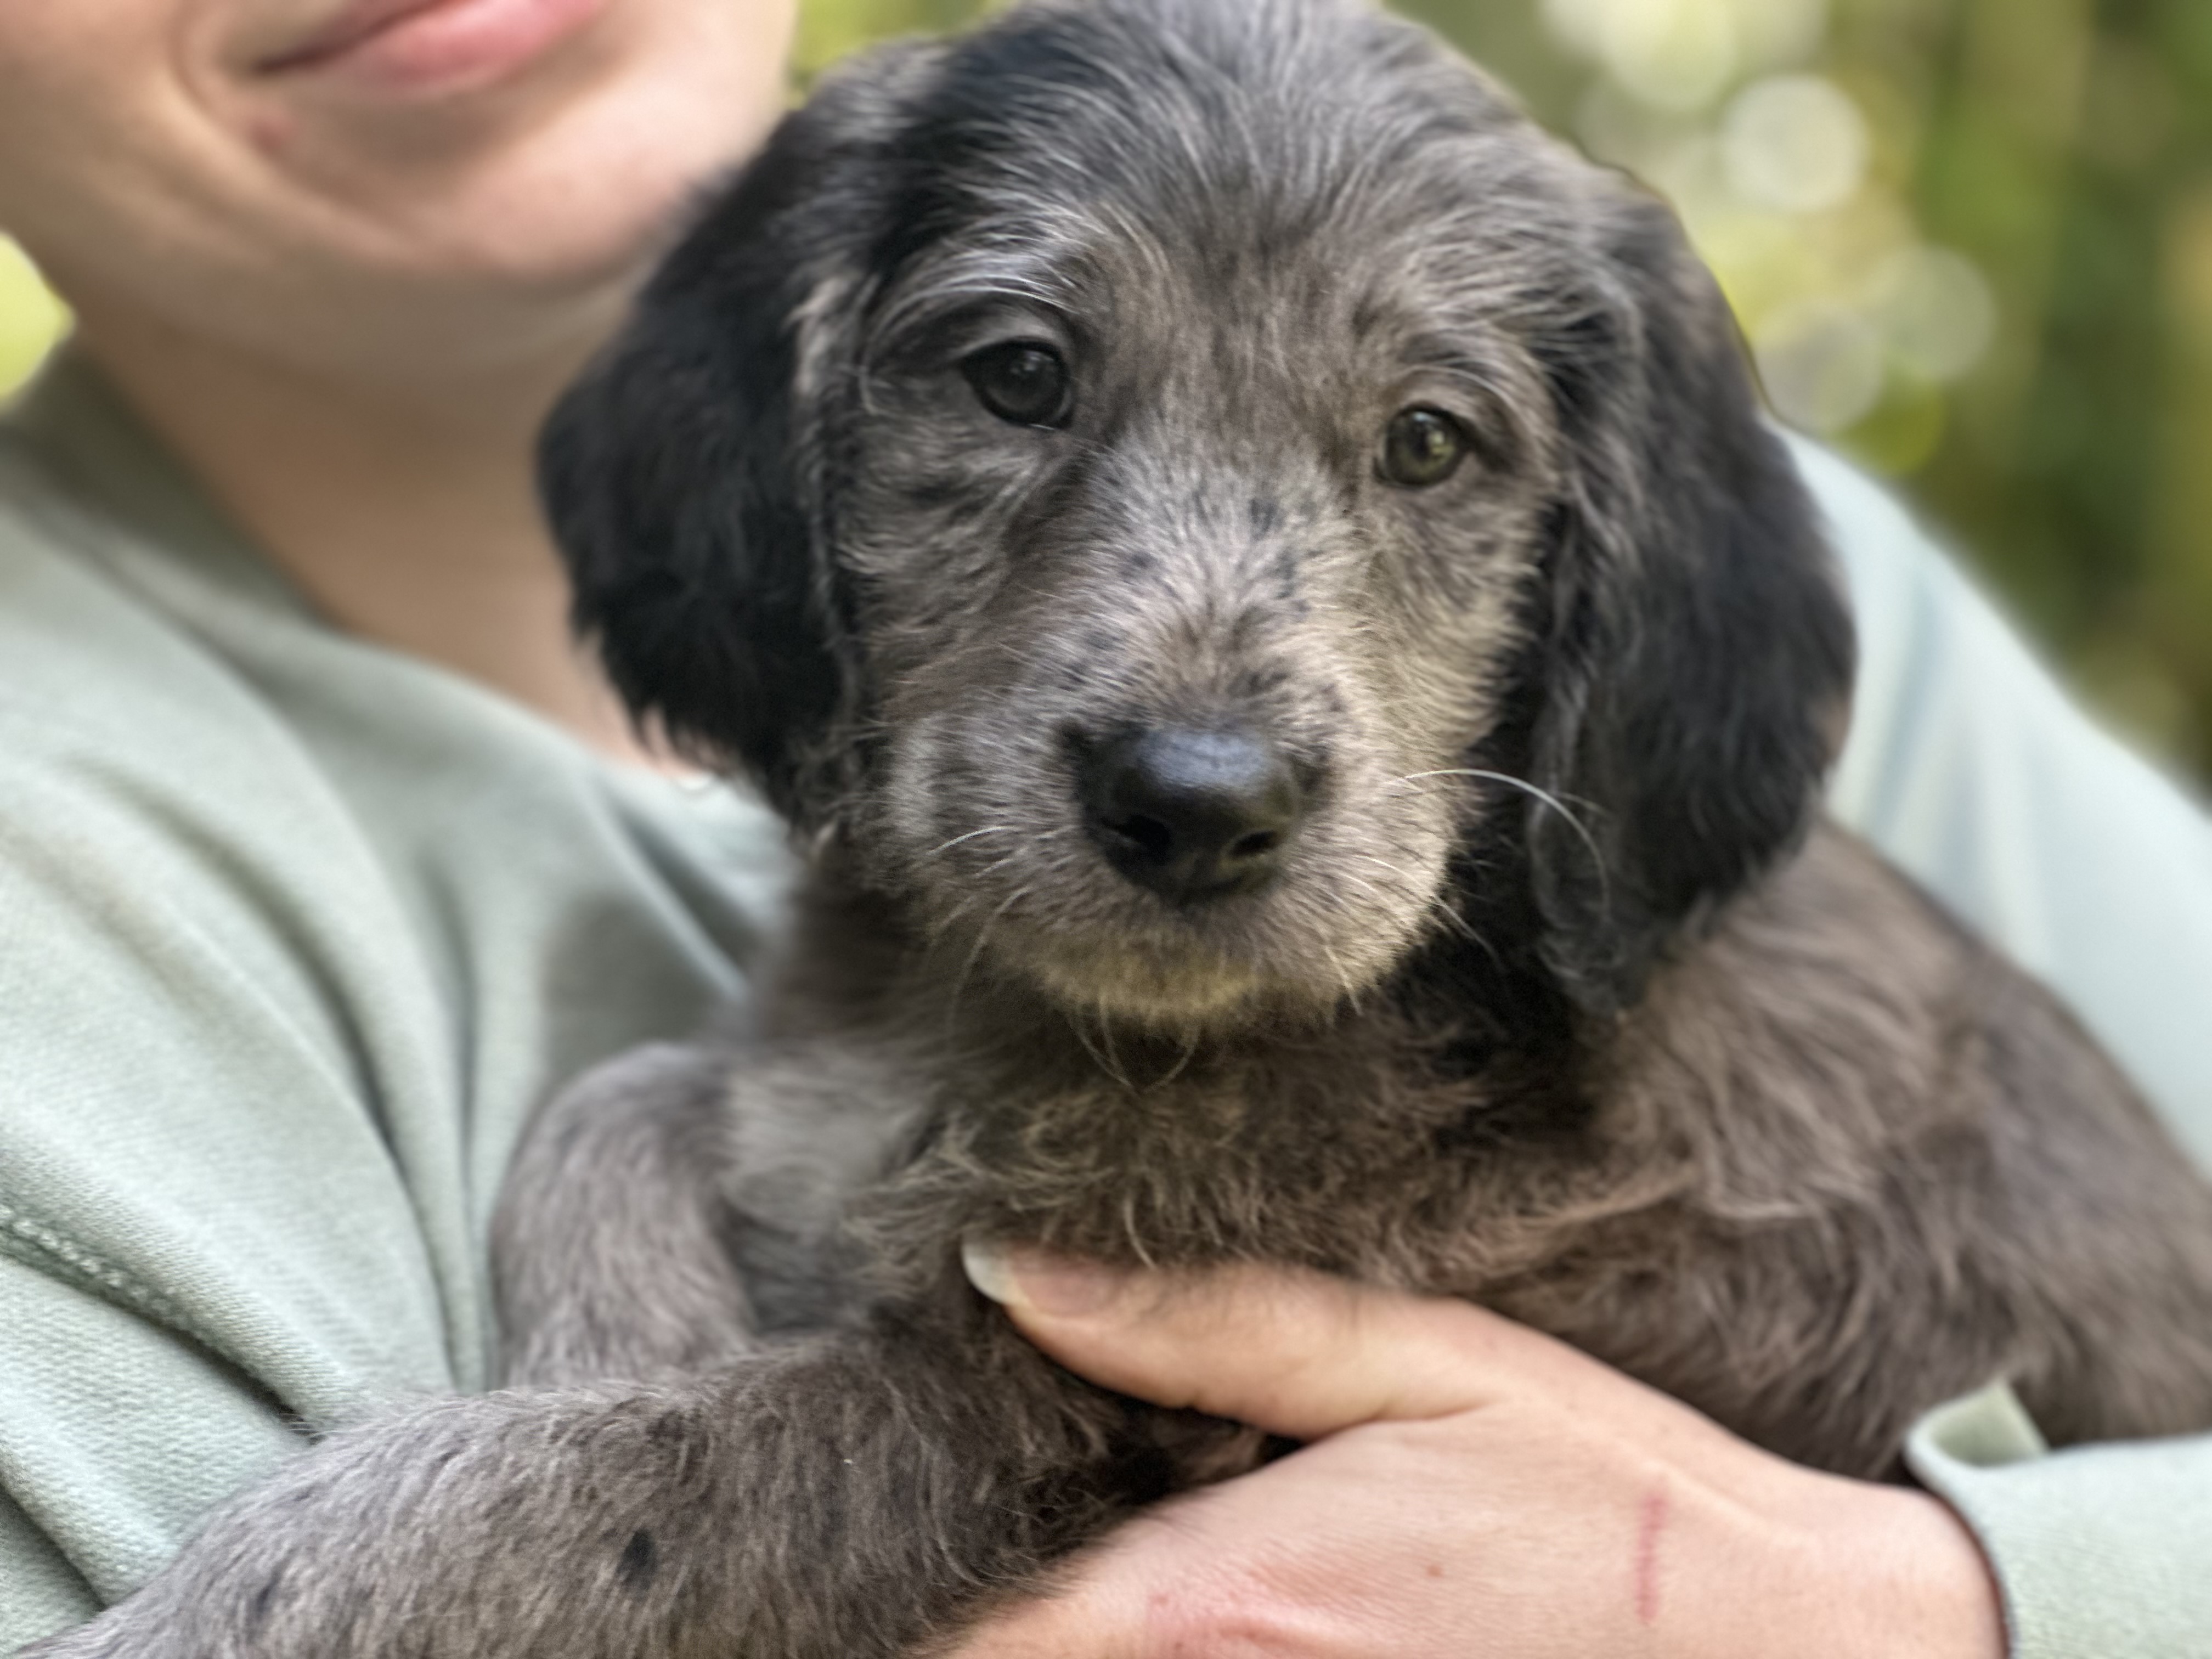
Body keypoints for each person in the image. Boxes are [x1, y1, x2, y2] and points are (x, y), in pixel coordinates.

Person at [0, 0, 2206, 1653]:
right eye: (1018, 381)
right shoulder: (77, 903)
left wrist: (1946, 1600)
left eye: (1430, 447)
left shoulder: (1824, 698)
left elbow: (1032, 1424)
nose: (1208, 731)